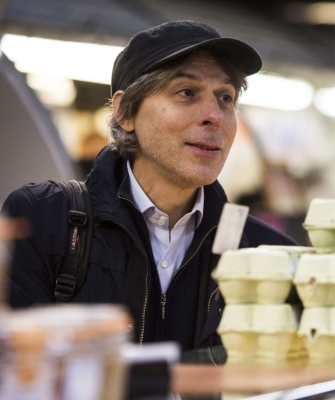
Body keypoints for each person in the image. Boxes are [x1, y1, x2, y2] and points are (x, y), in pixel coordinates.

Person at [1, 21, 296, 350]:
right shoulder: (42, 222)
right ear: (126, 111)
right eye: (186, 92)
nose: (214, 115)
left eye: (225, 98)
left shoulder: (264, 254)